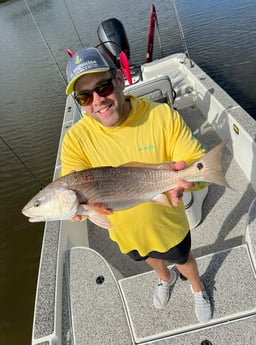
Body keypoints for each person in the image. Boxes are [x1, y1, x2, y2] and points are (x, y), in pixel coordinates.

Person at [61, 47, 212, 322]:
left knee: (183, 259)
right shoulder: (75, 140)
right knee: (149, 259)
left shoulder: (161, 116)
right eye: (84, 96)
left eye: (103, 87)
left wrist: (187, 182)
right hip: (125, 234)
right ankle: (165, 280)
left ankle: (197, 287)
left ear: (119, 78)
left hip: (168, 226)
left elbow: (197, 162)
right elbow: (78, 194)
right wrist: (78, 209)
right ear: (80, 102)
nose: (97, 100)